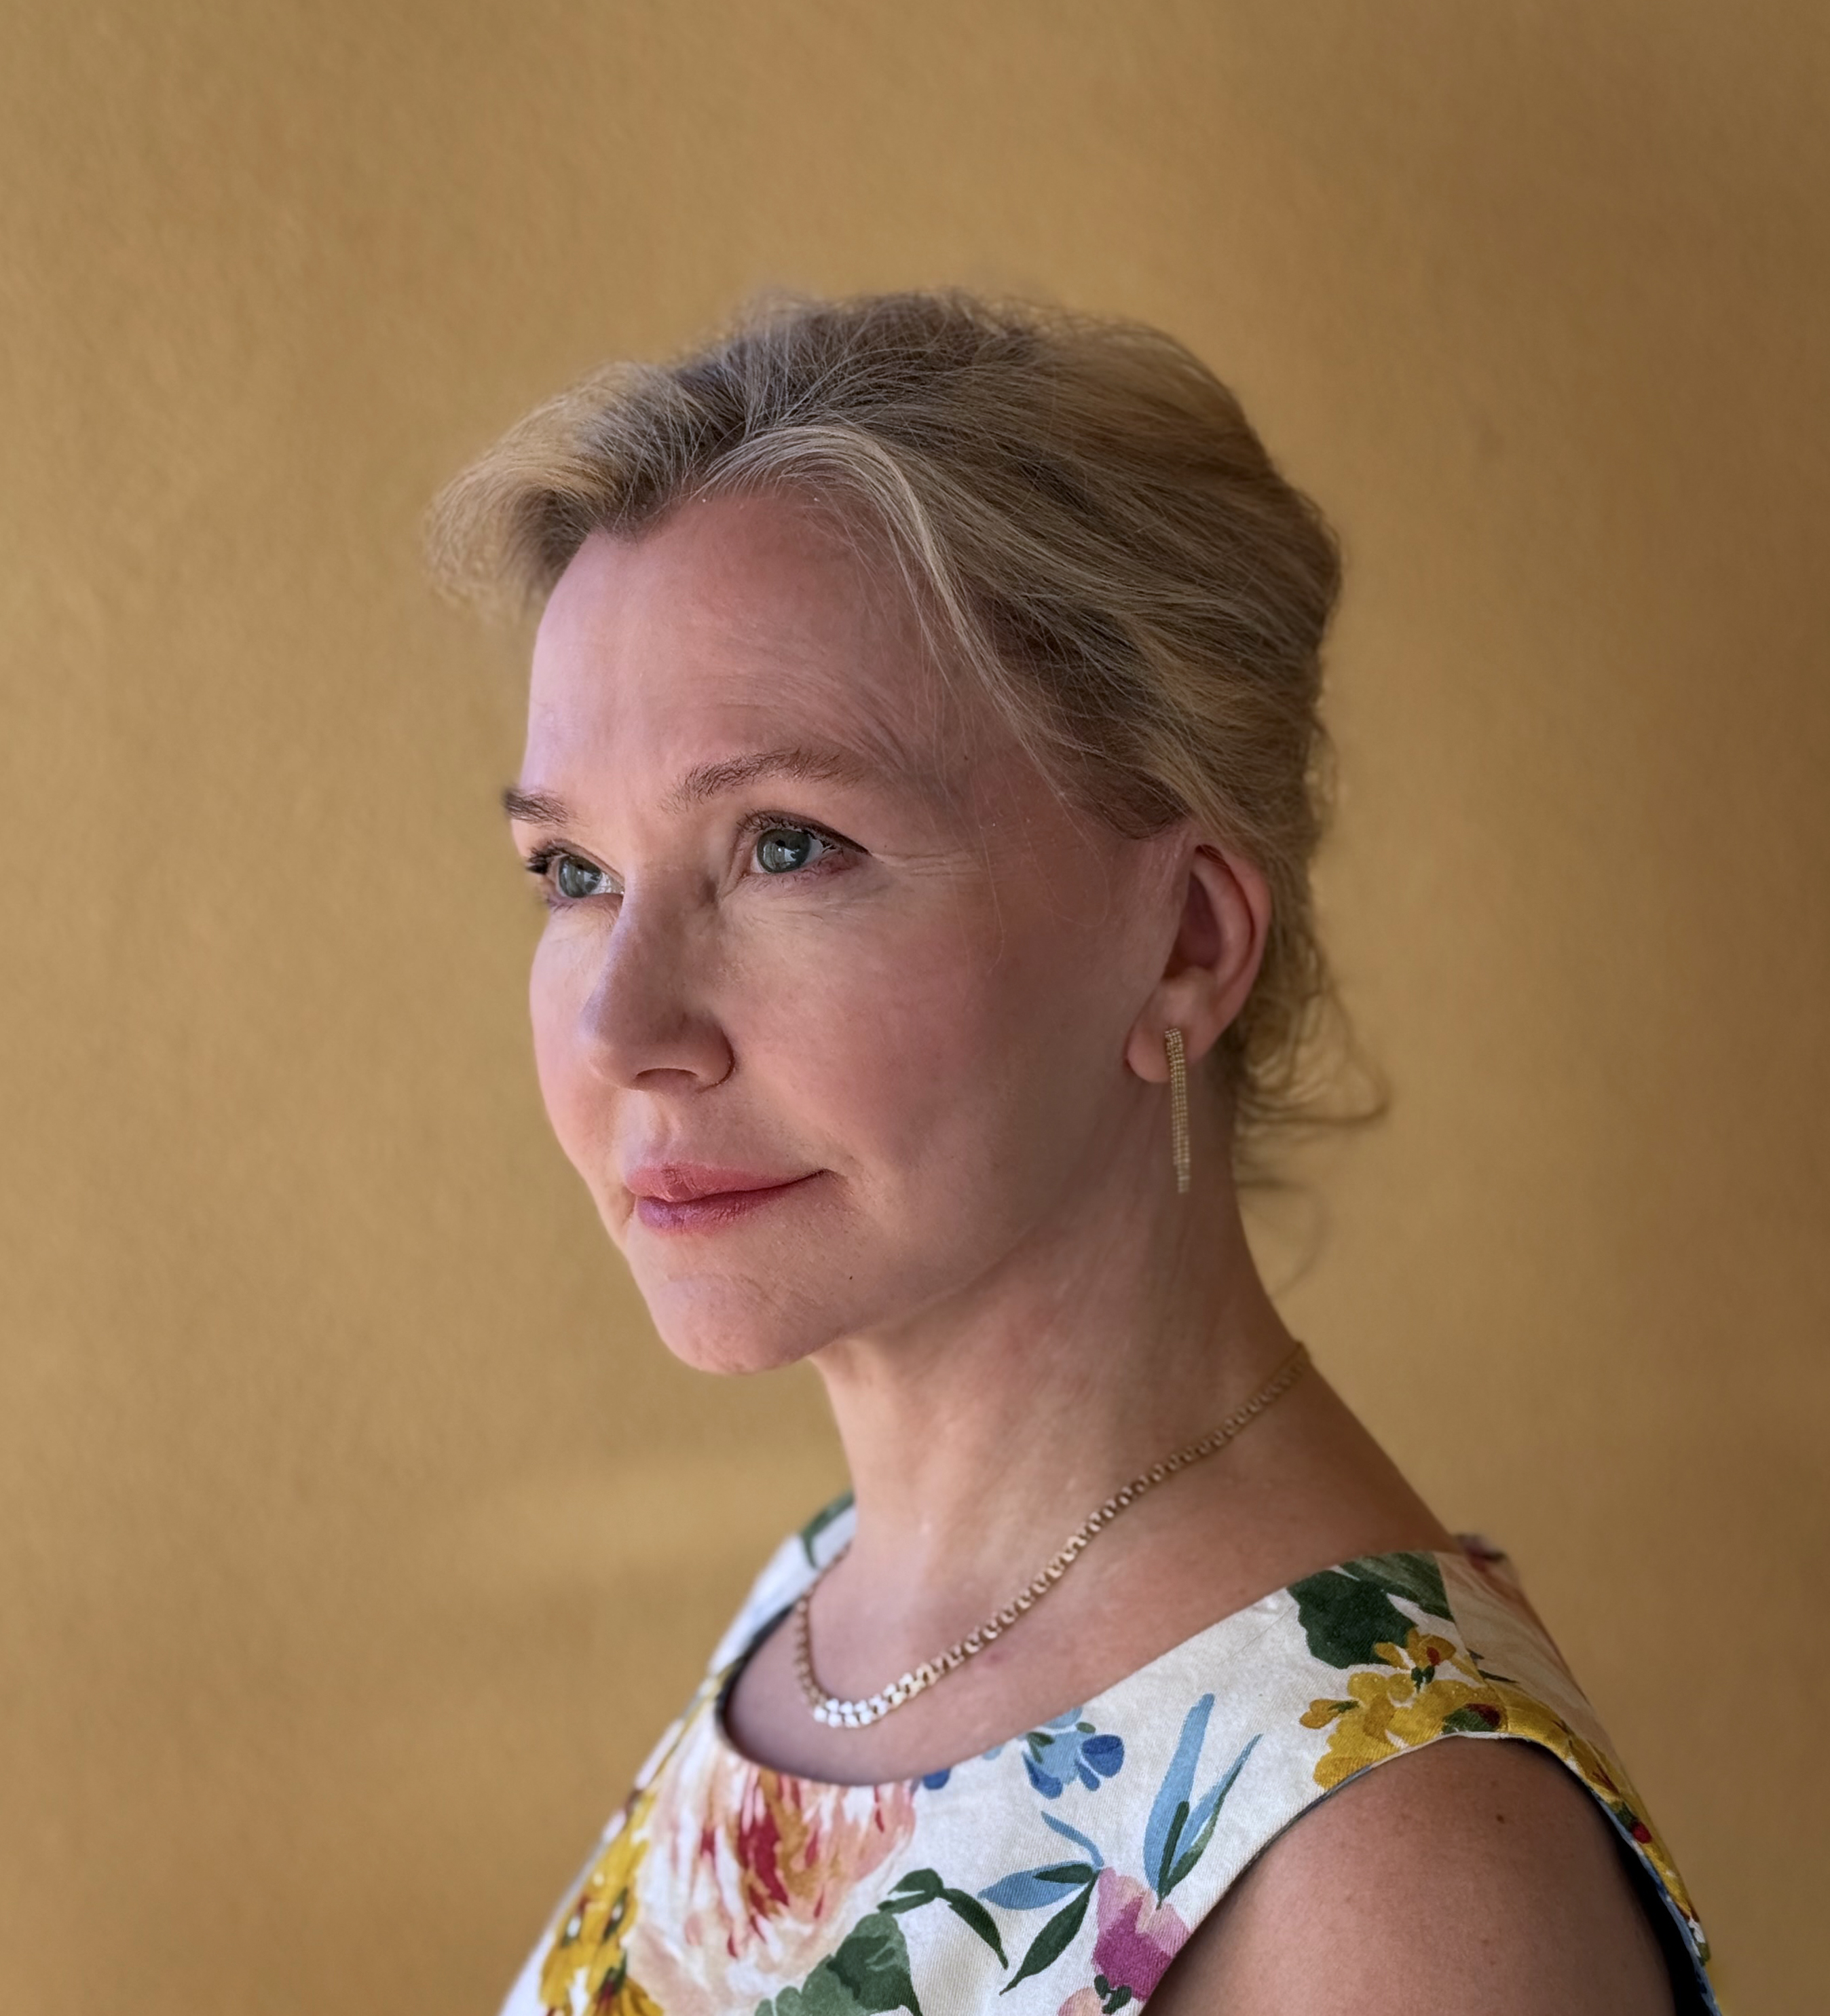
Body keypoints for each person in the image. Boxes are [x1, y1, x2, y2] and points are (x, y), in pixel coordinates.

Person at [430, 292, 1717, 2015]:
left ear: (1186, 939)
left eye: (788, 845)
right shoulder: (838, 1608)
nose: (619, 1027)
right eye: (574, 874)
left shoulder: (1392, 1888)